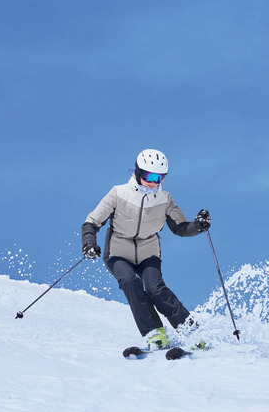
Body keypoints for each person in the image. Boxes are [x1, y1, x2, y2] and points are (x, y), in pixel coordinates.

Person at [81, 149, 211, 351]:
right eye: (150, 176)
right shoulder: (118, 193)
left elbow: (180, 227)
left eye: (160, 178)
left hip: (148, 251)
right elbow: (91, 222)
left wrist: (198, 226)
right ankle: (154, 333)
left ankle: (192, 332)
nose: (154, 182)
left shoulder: (165, 199)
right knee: (129, 282)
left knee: (155, 288)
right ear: (138, 172)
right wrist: (89, 243)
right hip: (118, 251)